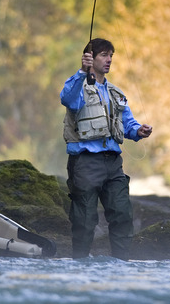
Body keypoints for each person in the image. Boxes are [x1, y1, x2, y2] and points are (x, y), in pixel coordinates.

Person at [60, 38, 153, 260]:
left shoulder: (115, 93)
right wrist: (82, 72)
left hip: (113, 164)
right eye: (104, 55)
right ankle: (80, 263)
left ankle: (121, 264)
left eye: (111, 55)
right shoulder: (77, 87)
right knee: (84, 219)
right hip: (85, 163)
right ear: (90, 58)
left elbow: (127, 123)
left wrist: (138, 131)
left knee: (122, 214)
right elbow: (67, 99)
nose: (109, 59)